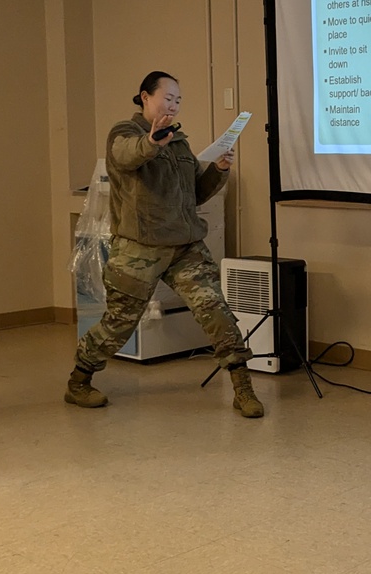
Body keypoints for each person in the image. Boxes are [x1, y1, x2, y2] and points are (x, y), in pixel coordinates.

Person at [65, 71, 264, 419]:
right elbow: (127, 156)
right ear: (145, 97)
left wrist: (218, 169)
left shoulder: (180, 142)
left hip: (185, 246)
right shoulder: (124, 134)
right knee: (118, 324)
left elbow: (195, 194)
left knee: (216, 311)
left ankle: (243, 388)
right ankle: (79, 380)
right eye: (166, 98)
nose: (172, 105)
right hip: (139, 250)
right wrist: (152, 142)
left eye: (177, 100)